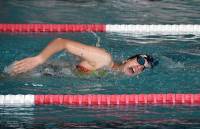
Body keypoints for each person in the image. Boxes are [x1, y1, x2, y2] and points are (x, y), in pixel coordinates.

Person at [9, 38, 156, 76]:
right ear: (127, 59)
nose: (139, 67)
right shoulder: (104, 59)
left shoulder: (111, 74)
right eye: (140, 61)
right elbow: (62, 43)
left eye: (143, 69)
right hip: (33, 70)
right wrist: (39, 59)